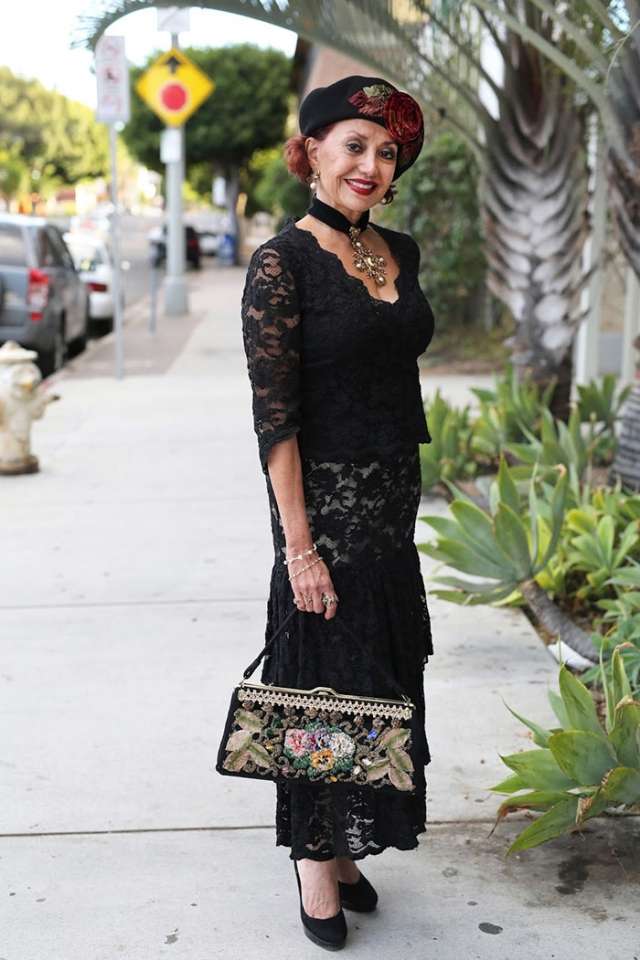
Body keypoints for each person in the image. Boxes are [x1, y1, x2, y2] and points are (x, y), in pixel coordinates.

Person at [240, 75, 435, 950]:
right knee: (325, 683)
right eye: (354, 145)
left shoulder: (401, 251)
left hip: (393, 507)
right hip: (325, 510)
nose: (371, 164)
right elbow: (275, 419)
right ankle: (316, 857)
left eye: (387, 152)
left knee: (380, 679)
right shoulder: (280, 264)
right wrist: (299, 548)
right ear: (311, 151)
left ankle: (350, 839)